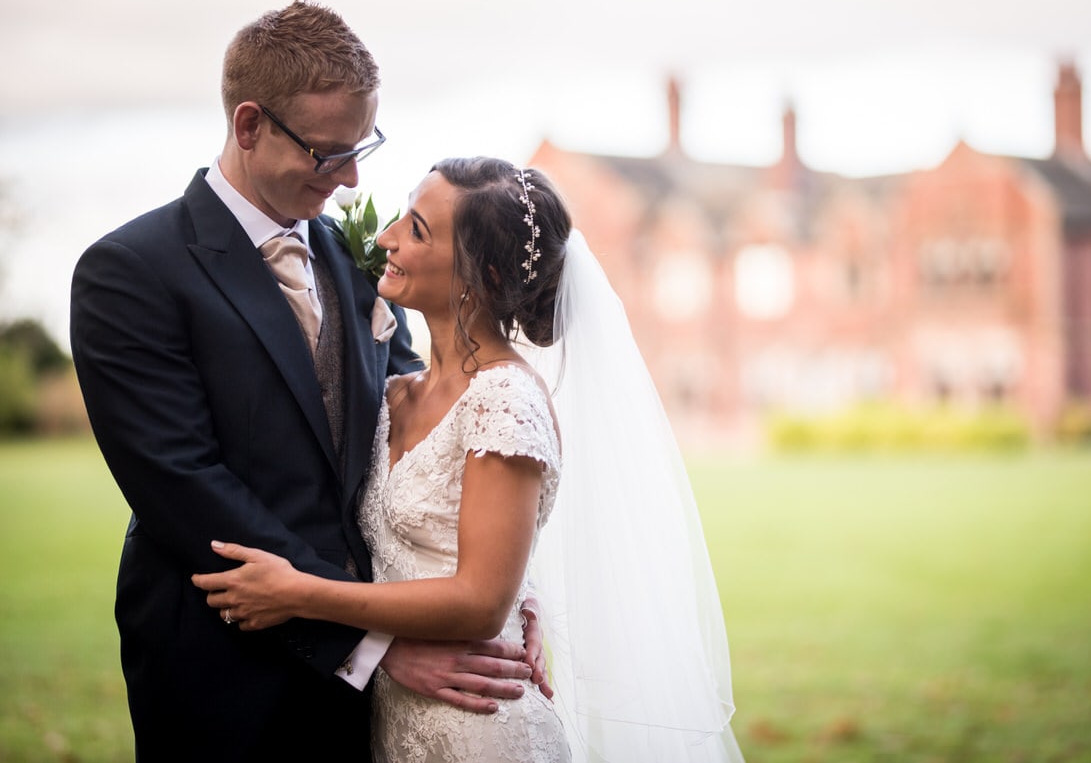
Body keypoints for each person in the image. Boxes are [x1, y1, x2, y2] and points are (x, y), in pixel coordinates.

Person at [70, 1, 545, 763]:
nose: (354, 181)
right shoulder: (129, 273)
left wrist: (503, 593)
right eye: (329, 154)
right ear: (250, 125)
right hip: (225, 673)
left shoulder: (358, 263)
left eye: (363, 148)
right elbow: (186, 489)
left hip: (389, 694)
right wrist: (374, 644)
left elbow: (428, 444)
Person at [193, 157, 745, 762]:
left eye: (418, 230)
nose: (385, 239)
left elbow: (481, 602)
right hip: (394, 718)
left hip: (480, 724)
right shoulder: (394, 391)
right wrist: (523, 590)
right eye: (404, 215)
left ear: (477, 275)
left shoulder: (505, 400)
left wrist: (299, 593)